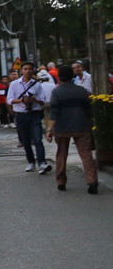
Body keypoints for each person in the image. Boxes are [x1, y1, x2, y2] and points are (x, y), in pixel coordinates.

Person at [46, 64, 99, 194]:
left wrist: (49, 130)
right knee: (86, 155)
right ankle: (92, 181)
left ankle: (61, 181)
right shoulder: (81, 91)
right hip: (82, 126)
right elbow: (88, 111)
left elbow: (54, 112)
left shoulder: (56, 92)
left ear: (59, 76)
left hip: (62, 128)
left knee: (61, 155)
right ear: (72, 75)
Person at [7, 62, 51, 173]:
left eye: (30, 69)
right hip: (21, 114)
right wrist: (21, 100)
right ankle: (31, 162)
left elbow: (43, 100)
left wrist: (34, 100)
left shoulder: (37, 84)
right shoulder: (14, 84)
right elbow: (9, 100)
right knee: (26, 141)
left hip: (34, 114)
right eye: (25, 69)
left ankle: (42, 162)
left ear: (33, 71)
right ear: (21, 70)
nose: (28, 71)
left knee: (38, 139)